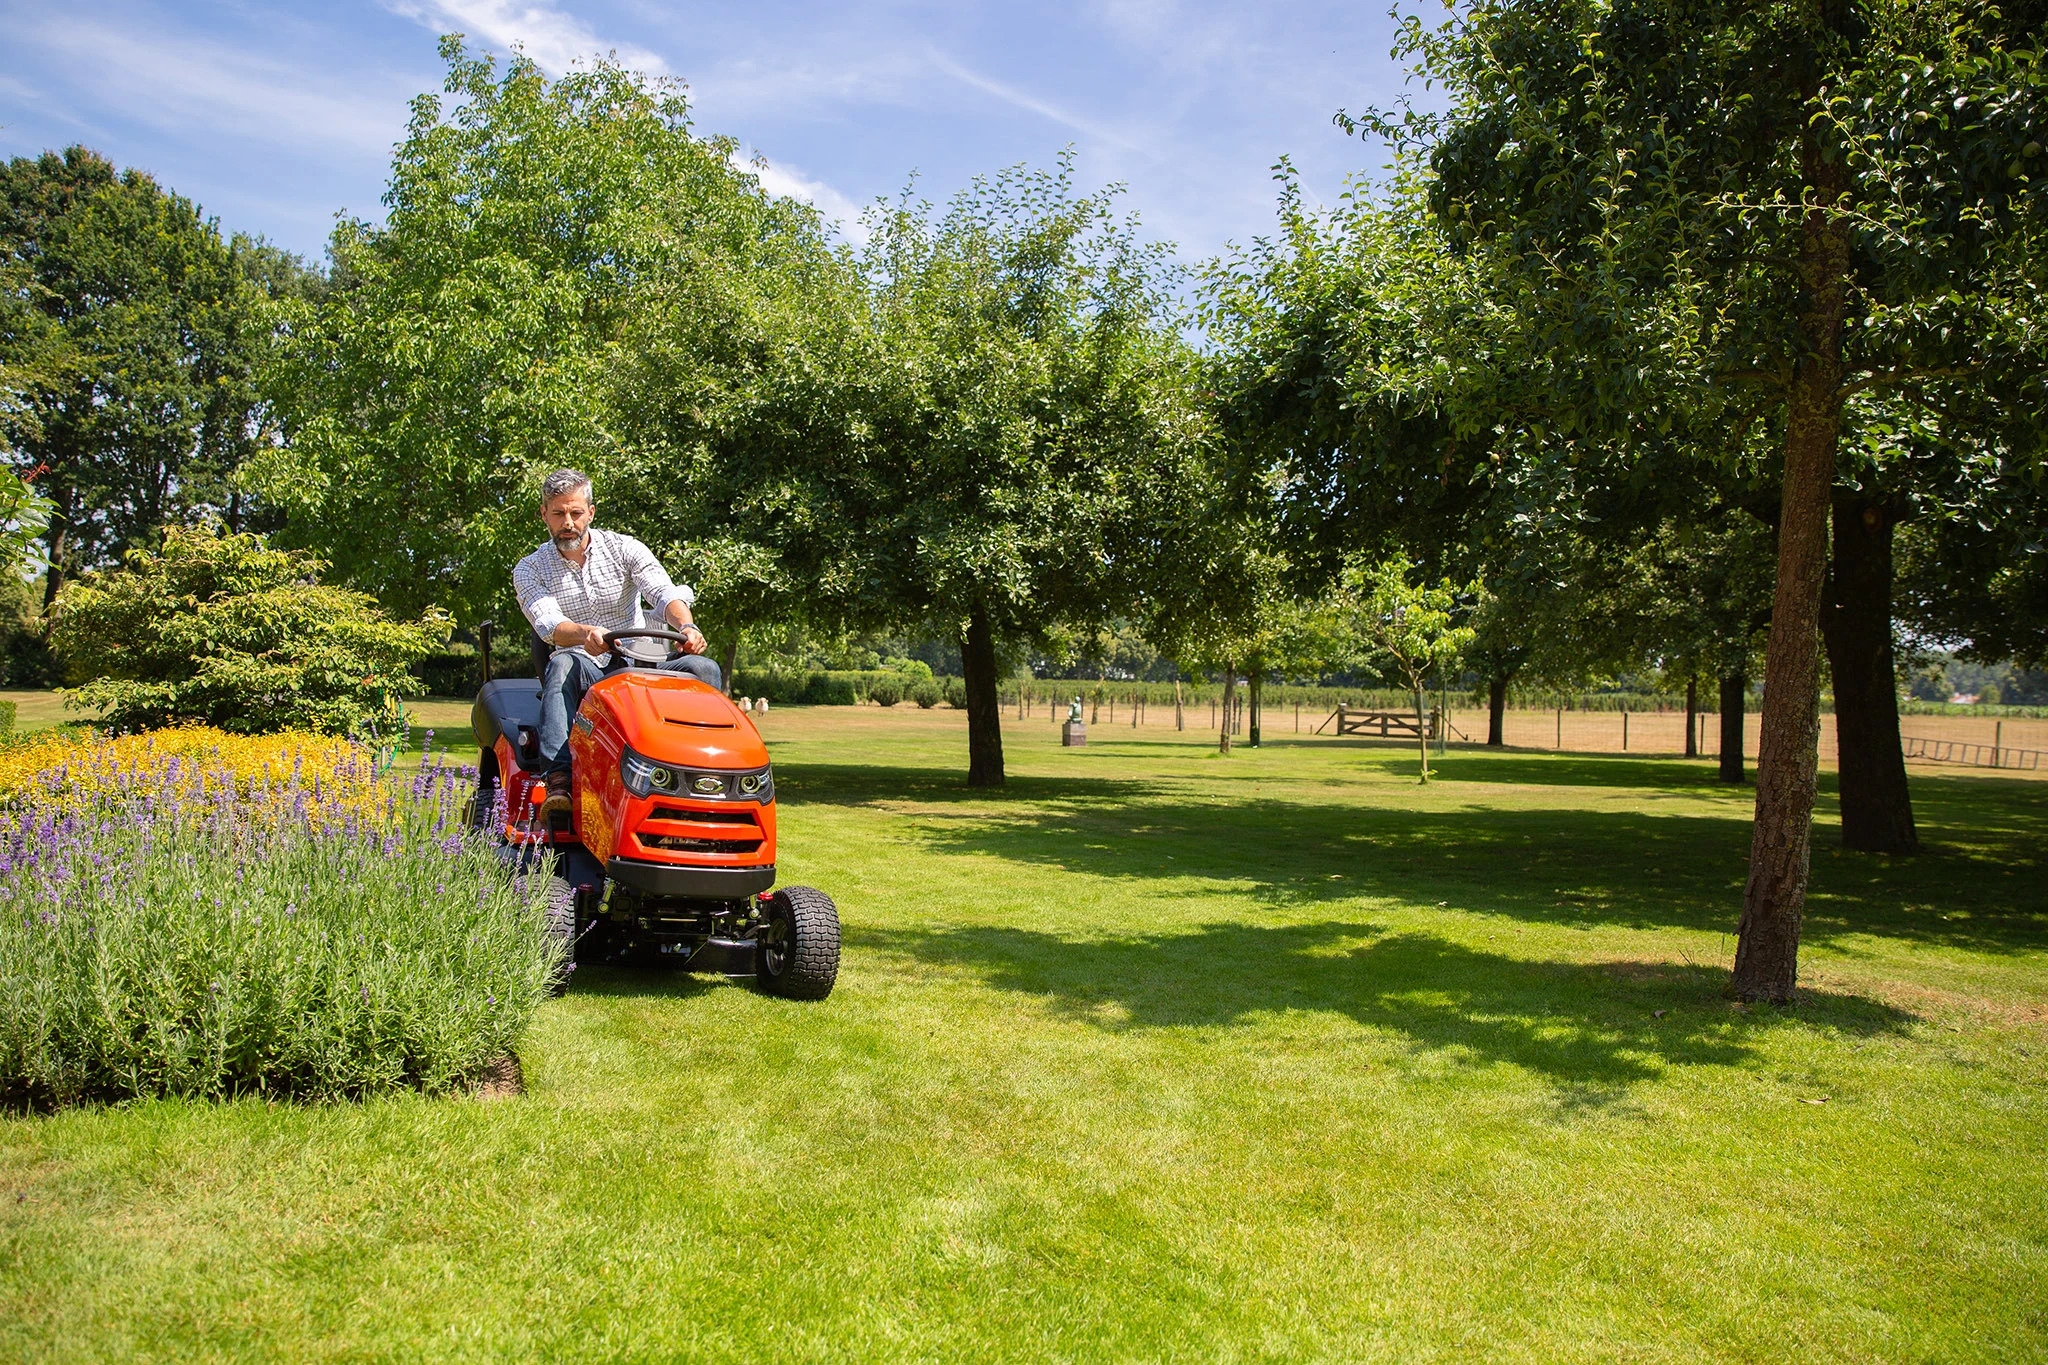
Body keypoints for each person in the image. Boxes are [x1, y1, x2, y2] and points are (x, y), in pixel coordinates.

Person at [514, 468, 722, 813]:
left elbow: (663, 592)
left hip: (641, 660)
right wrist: (585, 634)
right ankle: (559, 783)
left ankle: (702, 776)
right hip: (584, 667)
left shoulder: (625, 548)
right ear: (544, 515)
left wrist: (686, 627)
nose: (568, 522)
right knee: (562, 662)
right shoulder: (530, 569)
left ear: (590, 513)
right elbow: (548, 624)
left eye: (576, 513)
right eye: (559, 513)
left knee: (703, 669)